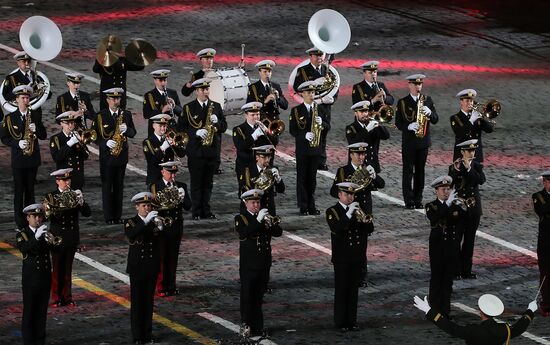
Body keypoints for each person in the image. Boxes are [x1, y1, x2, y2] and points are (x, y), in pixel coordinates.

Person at [330, 143, 381, 286]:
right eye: (358, 154)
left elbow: (381, 184)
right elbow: (333, 191)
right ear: (351, 155)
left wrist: (374, 175)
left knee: (362, 244)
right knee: (348, 243)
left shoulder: (366, 169)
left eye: (363, 154)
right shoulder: (343, 171)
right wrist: (348, 188)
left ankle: (361, 277)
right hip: (347, 211)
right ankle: (347, 272)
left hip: (363, 212)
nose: (361, 157)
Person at [235, 189, 282, 338]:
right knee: (247, 296)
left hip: (263, 262)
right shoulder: (241, 218)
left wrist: (270, 222)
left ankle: (258, 326)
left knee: (259, 296)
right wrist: (258, 220)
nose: (256, 205)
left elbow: (278, 232)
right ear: (246, 203)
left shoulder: (264, 217)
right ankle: (245, 324)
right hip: (249, 265)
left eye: (258, 202)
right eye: (253, 202)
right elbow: (245, 232)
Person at [178, 78, 227, 220]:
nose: (206, 92)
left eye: (207, 89)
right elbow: (180, 128)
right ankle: (196, 211)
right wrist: (195, 133)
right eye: (203, 90)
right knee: (196, 183)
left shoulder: (216, 107)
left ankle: (206, 210)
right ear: (197, 91)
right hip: (196, 151)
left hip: (211, 151)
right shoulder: (188, 108)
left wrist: (217, 123)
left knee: (208, 183)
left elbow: (224, 127)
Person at [0, 85, 47, 229]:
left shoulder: (35, 115)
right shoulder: (10, 118)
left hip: (32, 159)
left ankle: (31, 222)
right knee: (19, 191)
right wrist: (17, 143)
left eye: (27, 98)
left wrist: (36, 129)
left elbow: (43, 135)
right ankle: (20, 222)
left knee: (30, 191)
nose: (26, 100)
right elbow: (3, 138)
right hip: (19, 160)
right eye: (23, 98)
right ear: (17, 100)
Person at [326, 182, 371, 332]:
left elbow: (370, 228)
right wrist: (349, 214)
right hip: (342, 258)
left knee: (353, 291)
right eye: (347, 194)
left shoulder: (359, 210)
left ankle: (351, 321)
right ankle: (340, 322)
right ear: (340, 195)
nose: (350, 197)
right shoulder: (332, 211)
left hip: (357, 257)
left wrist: (365, 221)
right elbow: (337, 228)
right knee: (341, 290)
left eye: (352, 194)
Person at [44, 168, 91, 307]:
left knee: (68, 269)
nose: (67, 182)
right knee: (57, 269)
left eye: (68, 180)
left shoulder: (74, 194)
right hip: (57, 236)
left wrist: (81, 202)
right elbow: (47, 216)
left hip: (71, 237)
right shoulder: (51, 196)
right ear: (57, 181)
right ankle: (56, 297)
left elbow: (87, 213)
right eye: (64, 180)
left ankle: (67, 297)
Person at [414, 293, 537, 345]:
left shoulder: (473, 331)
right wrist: (530, 311)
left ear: (481, 312)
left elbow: (452, 328)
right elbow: (519, 328)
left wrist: (429, 311)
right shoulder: (504, 330)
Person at [91, 88, 136, 224]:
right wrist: (104, 143)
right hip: (107, 158)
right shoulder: (100, 116)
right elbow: (93, 136)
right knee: (107, 187)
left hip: (121, 157)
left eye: (118, 99)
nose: (116, 101)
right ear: (107, 100)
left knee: (119, 187)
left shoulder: (126, 115)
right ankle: (109, 217)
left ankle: (117, 215)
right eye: (113, 99)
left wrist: (127, 130)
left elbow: (133, 132)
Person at [395, 74, 439, 209]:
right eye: (415, 84)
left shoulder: (428, 100)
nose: (418, 87)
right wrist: (409, 126)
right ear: (410, 85)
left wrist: (430, 113)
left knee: (420, 172)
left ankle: (418, 199)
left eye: (420, 84)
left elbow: (436, 119)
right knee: (408, 171)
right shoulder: (403, 102)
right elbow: (398, 123)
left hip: (423, 142)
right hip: (409, 143)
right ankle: (409, 200)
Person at [424, 175, 465, 318]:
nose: (446, 192)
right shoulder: (431, 206)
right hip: (437, 248)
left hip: (451, 248)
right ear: (436, 191)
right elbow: (434, 217)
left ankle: (445, 311)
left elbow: (464, 219)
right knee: (436, 279)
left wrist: (461, 207)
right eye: (443, 189)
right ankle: (434, 310)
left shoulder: (454, 205)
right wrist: (447, 204)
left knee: (448, 281)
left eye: (448, 189)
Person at [124, 192, 162, 344]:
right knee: (137, 302)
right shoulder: (131, 222)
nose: (147, 208)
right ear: (137, 207)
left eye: (148, 206)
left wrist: (159, 227)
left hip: (151, 266)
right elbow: (132, 233)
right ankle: (137, 336)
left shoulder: (154, 221)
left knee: (148, 302)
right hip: (137, 267)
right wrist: (146, 221)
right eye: (144, 206)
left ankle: (147, 333)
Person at [150, 162, 191, 296]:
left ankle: (171, 285)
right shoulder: (155, 186)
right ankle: (161, 287)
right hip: (162, 226)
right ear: (163, 172)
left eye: (174, 173)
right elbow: (154, 206)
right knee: (162, 257)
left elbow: (188, 206)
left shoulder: (181, 186)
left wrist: (183, 197)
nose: (172, 176)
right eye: (170, 173)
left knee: (173, 257)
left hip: (176, 226)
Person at [289, 81, 330, 215]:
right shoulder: (296, 111)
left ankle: (311, 205)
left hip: (316, 150)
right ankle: (303, 205)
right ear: (302, 94)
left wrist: (322, 124)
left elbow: (328, 127)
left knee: (312, 179)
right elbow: (293, 130)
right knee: (301, 178)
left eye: (313, 92)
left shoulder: (321, 109)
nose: (311, 95)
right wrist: (304, 135)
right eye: (308, 93)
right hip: (302, 150)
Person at [180, 48, 224, 174]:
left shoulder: (218, 74)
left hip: (215, 107)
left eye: (211, 59)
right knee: (202, 134)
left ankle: (215, 164)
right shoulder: (197, 76)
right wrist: (189, 84)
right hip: (201, 110)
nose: (209, 61)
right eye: (206, 59)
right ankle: (199, 158)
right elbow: (185, 92)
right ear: (201, 60)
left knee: (216, 135)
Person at [16, 203, 55, 345]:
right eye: (35, 216)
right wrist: (36, 238)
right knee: (30, 312)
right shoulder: (22, 234)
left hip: (44, 278)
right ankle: (28, 341)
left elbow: (54, 249)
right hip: (31, 280)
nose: (38, 219)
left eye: (40, 216)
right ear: (28, 218)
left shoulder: (45, 233)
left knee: (41, 313)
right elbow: (25, 249)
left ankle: (40, 340)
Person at [448, 139, 486, 279]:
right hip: (459, 207)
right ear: (462, 152)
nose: (472, 153)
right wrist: (459, 169)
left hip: (474, 208)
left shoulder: (476, 166)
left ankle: (466, 270)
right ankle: (455, 271)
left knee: (469, 241)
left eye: (473, 150)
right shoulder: (454, 167)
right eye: (469, 151)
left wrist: (469, 168)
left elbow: (480, 180)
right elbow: (451, 182)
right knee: (456, 240)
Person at [293, 47, 335, 171]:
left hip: (324, 108)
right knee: (308, 132)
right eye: (316, 56)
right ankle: (306, 158)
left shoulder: (328, 70)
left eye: (321, 55)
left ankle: (321, 160)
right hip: (309, 107)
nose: (319, 58)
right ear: (310, 56)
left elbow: (334, 87)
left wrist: (333, 98)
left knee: (322, 133)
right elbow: (296, 87)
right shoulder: (303, 71)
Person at [232, 102, 277, 182]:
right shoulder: (239, 129)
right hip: (246, 167)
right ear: (246, 115)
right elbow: (241, 147)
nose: (256, 117)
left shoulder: (262, 128)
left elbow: (275, 142)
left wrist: (267, 131)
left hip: (263, 166)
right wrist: (254, 135)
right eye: (252, 115)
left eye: (258, 114)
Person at [238, 145, 285, 215]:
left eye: (269, 157)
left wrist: (278, 178)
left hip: (268, 208)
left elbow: (281, 190)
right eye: (264, 157)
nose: (267, 160)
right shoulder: (247, 171)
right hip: (252, 209)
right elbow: (241, 193)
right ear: (257, 157)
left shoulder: (273, 170)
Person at [450, 89, 494, 162]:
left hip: (477, 154)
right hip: (462, 156)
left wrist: (482, 118)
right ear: (461, 102)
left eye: (471, 101)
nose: (470, 103)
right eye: (467, 101)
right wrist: (471, 120)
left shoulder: (477, 116)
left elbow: (489, 130)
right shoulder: (455, 118)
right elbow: (460, 133)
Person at [345, 100, 390, 173]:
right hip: (357, 166)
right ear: (356, 113)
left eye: (366, 112)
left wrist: (379, 124)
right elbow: (353, 143)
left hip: (373, 165)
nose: (364, 114)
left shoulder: (372, 125)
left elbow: (386, 136)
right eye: (361, 112)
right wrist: (367, 130)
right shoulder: (351, 128)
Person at [49, 111, 89, 191]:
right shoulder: (56, 139)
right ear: (61, 124)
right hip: (64, 178)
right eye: (67, 123)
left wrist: (80, 142)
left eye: (72, 123)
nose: (70, 126)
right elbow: (57, 158)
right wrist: (69, 144)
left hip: (77, 177)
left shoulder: (78, 136)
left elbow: (86, 156)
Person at [142, 114, 185, 186]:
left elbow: (182, 154)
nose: (163, 129)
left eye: (164, 126)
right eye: (160, 126)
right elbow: (153, 161)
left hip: (169, 178)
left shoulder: (169, 138)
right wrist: (163, 148)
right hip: (155, 179)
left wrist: (175, 145)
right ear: (154, 126)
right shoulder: (148, 142)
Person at [532, 170, 550, 316]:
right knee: (545, 272)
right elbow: (543, 210)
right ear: (544, 182)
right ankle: (546, 303)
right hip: (546, 241)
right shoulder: (538, 196)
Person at [142, 69, 182, 136]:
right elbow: (146, 114)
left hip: (170, 128)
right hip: (156, 129)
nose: (163, 83)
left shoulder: (172, 93)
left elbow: (181, 113)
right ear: (155, 81)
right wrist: (162, 111)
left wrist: (174, 106)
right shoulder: (149, 95)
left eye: (165, 80)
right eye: (160, 80)